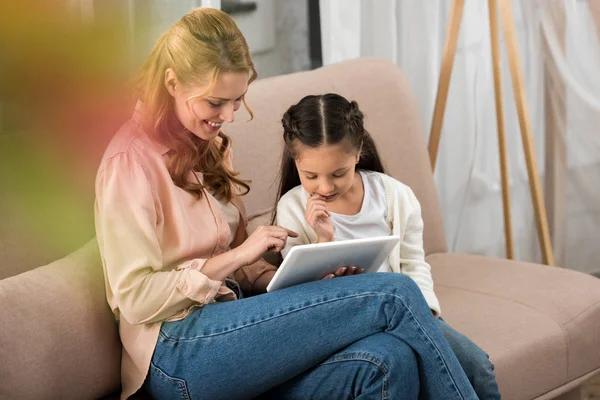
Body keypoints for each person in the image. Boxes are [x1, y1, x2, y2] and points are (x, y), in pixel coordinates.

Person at [95, 7, 479, 400]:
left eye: (237, 99)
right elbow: (136, 299)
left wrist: (290, 281)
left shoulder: (210, 146)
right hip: (177, 351)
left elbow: (243, 268)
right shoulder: (130, 163)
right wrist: (239, 256)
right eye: (215, 102)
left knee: (387, 359)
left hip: (235, 320)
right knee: (394, 294)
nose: (228, 115)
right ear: (173, 82)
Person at [274, 93, 502, 399]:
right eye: (311, 176)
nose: (325, 187)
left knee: (477, 366)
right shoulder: (292, 208)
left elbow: (413, 264)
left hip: (406, 314)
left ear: (358, 153)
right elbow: (297, 293)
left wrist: (426, 315)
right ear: (295, 161)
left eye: (338, 173)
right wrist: (323, 240)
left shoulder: (394, 196)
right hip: (345, 325)